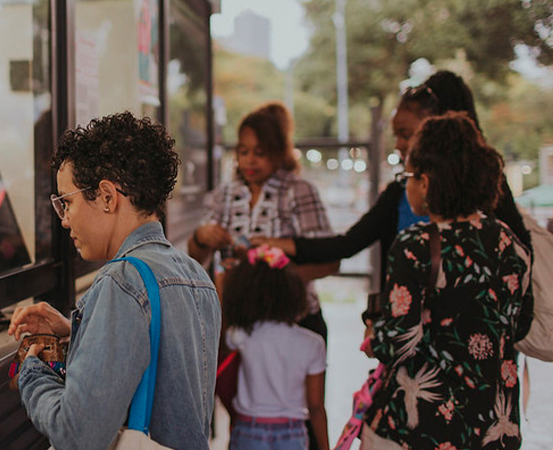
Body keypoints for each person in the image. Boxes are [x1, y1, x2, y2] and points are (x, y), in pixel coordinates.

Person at [8, 111, 221, 450]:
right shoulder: (196, 276)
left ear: (107, 196)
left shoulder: (121, 282)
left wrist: (31, 368)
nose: (64, 221)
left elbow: (77, 434)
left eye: (67, 203)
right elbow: (164, 364)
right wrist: (78, 329)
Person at [254, 71, 531, 290]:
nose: (398, 144)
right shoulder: (400, 195)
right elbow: (348, 244)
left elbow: (521, 268)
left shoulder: (484, 196)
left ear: (436, 130)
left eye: (407, 134)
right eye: (395, 133)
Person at [361, 112, 533, 449]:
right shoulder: (509, 242)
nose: (405, 183)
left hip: (427, 426)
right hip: (493, 426)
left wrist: (373, 332)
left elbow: (398, 341)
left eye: (407, 175)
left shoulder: (417, 245)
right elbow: (520, 325)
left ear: (426, 182)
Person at [188, 101, 338, 342]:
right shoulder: (224, 194)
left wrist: (273, 279)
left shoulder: (299, 191)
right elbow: (196, 258)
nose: (250, 161)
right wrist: (201, 237)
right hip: (235, 324)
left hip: (295, 322)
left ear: (279, 154)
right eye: (243, 151)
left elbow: (330, 263)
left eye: (260, 152)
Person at [222, 245, 329, 450]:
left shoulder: (241, 334)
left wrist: (222, 282)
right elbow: (316, 407)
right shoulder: (313, 344)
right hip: (292, 433)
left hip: (248, 430)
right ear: (295, 293)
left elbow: (220, 338)